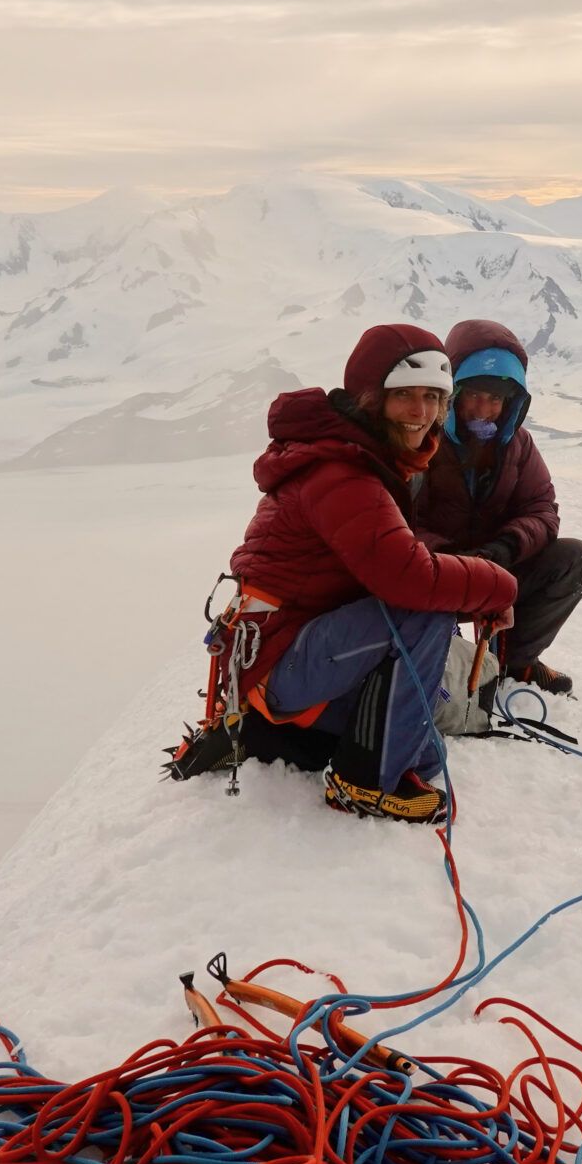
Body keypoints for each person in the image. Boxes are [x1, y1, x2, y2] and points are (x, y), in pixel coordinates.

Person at [218, 323, 517, 822]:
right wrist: (496, 584)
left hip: (292, 648)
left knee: (426, 755)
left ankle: (306, 739)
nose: (422, 413)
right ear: (369, 398)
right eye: (404, 396)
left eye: (432, 397)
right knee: (424, 611)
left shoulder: (361, 459)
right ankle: (363, 783)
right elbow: (409, 579)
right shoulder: (342, 473)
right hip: (279, 659)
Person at [421, 319, 582, 697]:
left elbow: (541, 509)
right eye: (475, 395)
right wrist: (452, 557)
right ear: (454, 391)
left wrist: (505, 548)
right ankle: (426, 663)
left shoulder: (518, 445)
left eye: (497, 399)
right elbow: (396, 519)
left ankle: (514, 662)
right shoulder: (422, 440)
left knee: (576, 559)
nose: (485, 409)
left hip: (494, 568)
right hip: (434, 573)